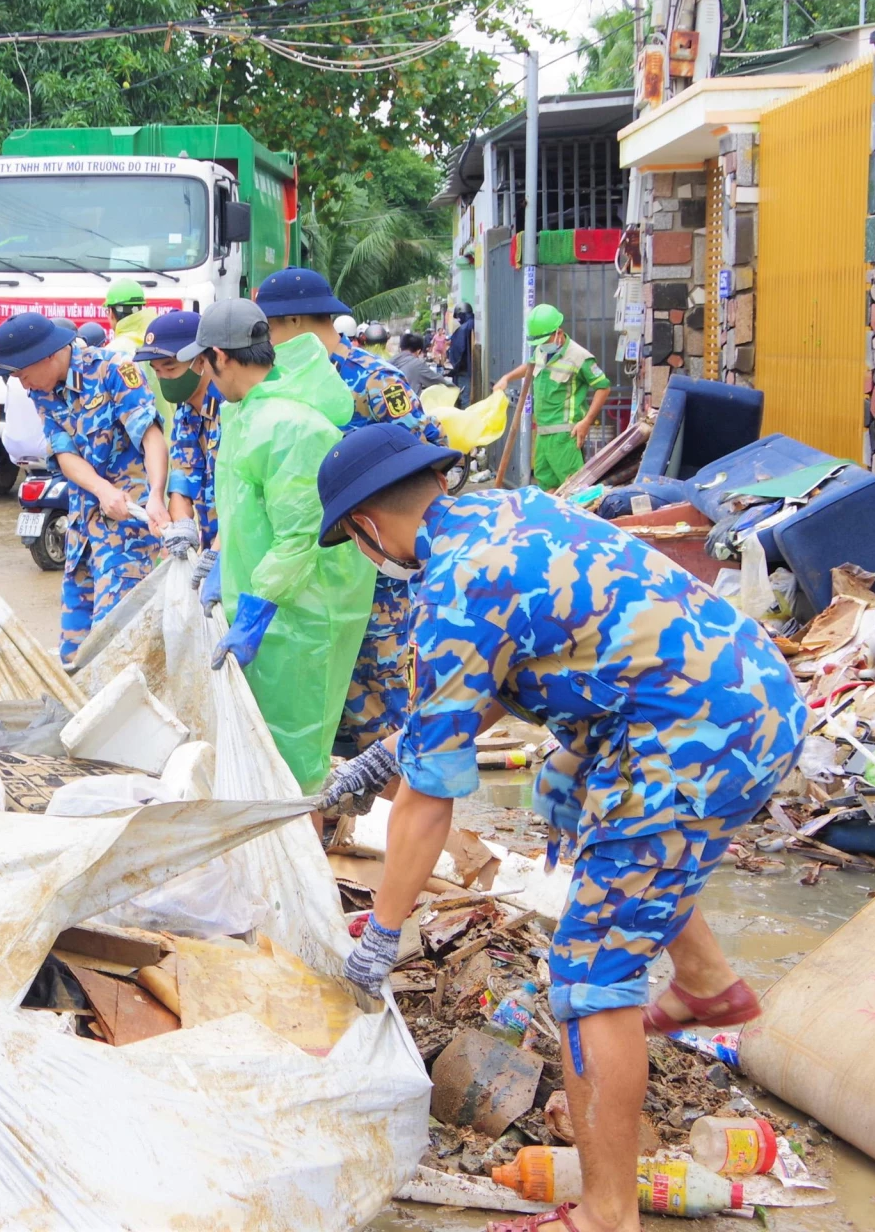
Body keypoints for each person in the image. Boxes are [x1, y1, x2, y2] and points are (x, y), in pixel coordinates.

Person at [315, 423, 806, 1232]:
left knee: (588, 979)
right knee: (594, 825)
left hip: (689, 743)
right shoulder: (512, 512)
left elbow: (429, 801)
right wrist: (390, 752)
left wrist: (383, 935)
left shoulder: (449, 593)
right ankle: (710, 984)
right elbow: (508, 665)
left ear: (366, 526)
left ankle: (606, 1214)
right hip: (753, 695)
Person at [179, 299, 371, 791]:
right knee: (261, 747)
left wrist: (255, 612)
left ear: (221, 356)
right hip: (270, 600)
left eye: (203, 362)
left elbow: (300, 536)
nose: (203, 374)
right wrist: (224, 560)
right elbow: (249, 510)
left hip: (303, 610)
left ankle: (299, 859)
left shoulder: (290, 426)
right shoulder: (247, 414)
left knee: (294, 752)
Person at [258, 269, 446, 757]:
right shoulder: (285, 384)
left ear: (295, 321)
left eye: (271, 330)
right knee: (320, 706)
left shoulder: (374, 379)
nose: (268, 344)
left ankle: (389, 818)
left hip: (378, 570)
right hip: (317, 571)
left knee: (378, 704)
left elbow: (428, 456)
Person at [0, 311, 170, 666]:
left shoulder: (114, 370)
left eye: (24, 375)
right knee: (73, 653)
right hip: (84, 531)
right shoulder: (43, 390)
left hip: (129, 532)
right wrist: (101, 489)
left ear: (46, 355)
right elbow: (64, 452)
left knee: (115, 647)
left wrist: (156, 495)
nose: (25, 386)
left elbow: (152, 437)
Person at [498, 303, 611, 491]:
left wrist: (587, 421)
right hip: (543, 433)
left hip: (565, 435)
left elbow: (603, 387)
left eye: (544, 341)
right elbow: (530, 366)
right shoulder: (542, 350)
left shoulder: (580, 357)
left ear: (558, 332)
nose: (541, 346)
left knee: (573, 489)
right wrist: (507, 378)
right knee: (547, 488)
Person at [135, 310, 219, 556]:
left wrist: (219, 551)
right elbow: (183, 474)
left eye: (170, 368)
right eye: (157, 371)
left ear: (201, 361)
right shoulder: (185, 412)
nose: (164, 379)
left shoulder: (230, 407)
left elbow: (243, 495)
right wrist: (182, 524)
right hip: (211, 542)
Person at [447, 303, 476, 391]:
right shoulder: (475, 323)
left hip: (464, 371)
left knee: (464, 399)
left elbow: (458, 351)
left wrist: (454, 368)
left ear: (461, 314)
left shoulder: (462, 329)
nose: (458, 320)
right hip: (470, 369)